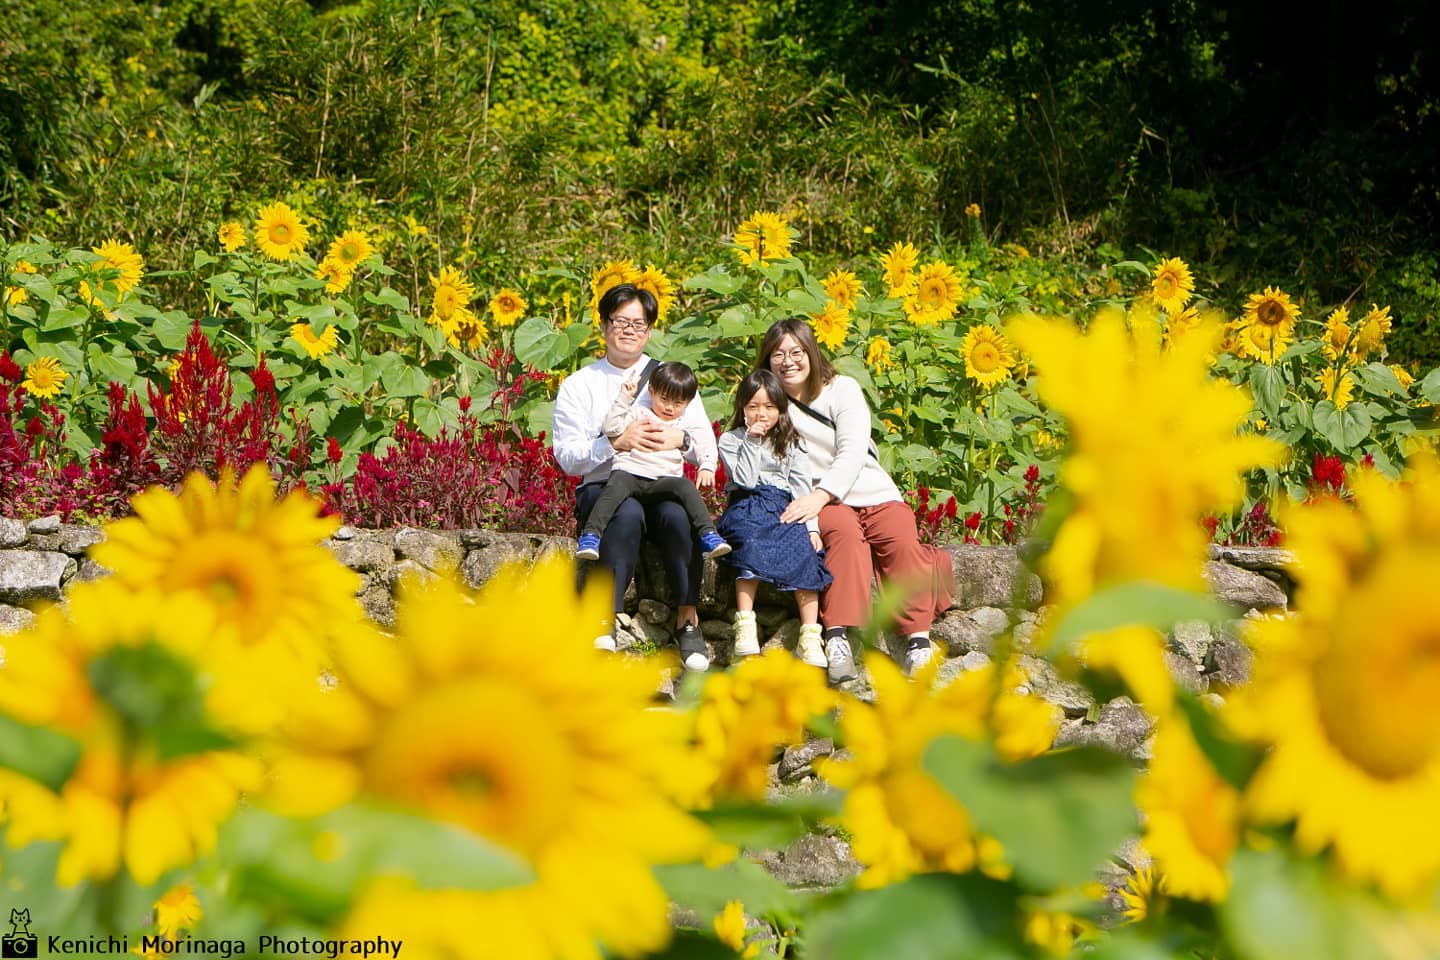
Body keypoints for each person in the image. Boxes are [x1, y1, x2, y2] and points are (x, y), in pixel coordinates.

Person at [757, 317, 955, 681]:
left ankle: (918, 641)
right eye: (777, 354)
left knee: (900, 538)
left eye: (796, 352)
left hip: (865, 486)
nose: (788, 361)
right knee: (844, 540)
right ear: (766, 361)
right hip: (824, 501)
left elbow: (851, 452)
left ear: (812, 353)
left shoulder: (842, 389)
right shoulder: (769, 403)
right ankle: (837, 636)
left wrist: (818, 497)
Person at [552, 283, 719, 671]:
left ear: (650, 330)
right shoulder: (580, 385)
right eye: (620, 321)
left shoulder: (671, 378)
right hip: (607, 484)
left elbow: (703, 442)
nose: (629, 330)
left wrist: (681, 439)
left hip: (660, 483)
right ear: (604, 325)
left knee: (679, 517)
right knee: (624, 514)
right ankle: (603, 619)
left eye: (639, 324)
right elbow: (568, 459)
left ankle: (687, 620)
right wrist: (615, 443)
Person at [716, 369, 833, 665]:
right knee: (749, 544)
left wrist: (811, 527)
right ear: (742, 408)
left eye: (769, 407)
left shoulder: (791, 442)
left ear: (781, 409)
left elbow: (802, 488)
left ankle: (809, 635)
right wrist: (752, 442)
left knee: (806, 553)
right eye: (753, 406)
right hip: (746, 505)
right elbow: (744, 480)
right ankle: (745, 624)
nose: (761, 414)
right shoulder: (731, 440)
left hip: (784, 506)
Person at [575, 360, 730, 562]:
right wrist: (624, 398)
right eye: (664, 399)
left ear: (688, 402)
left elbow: (704, 444)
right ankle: (591, 536)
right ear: (651, 391)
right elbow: (611, 428)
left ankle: (708, 534)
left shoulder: (682, 423)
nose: (669, 407)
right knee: (612, 490)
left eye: (678, 403)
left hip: (663, 479)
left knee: (685, 487)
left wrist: (707, 467)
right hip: (630, 473)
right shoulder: (639, 412)